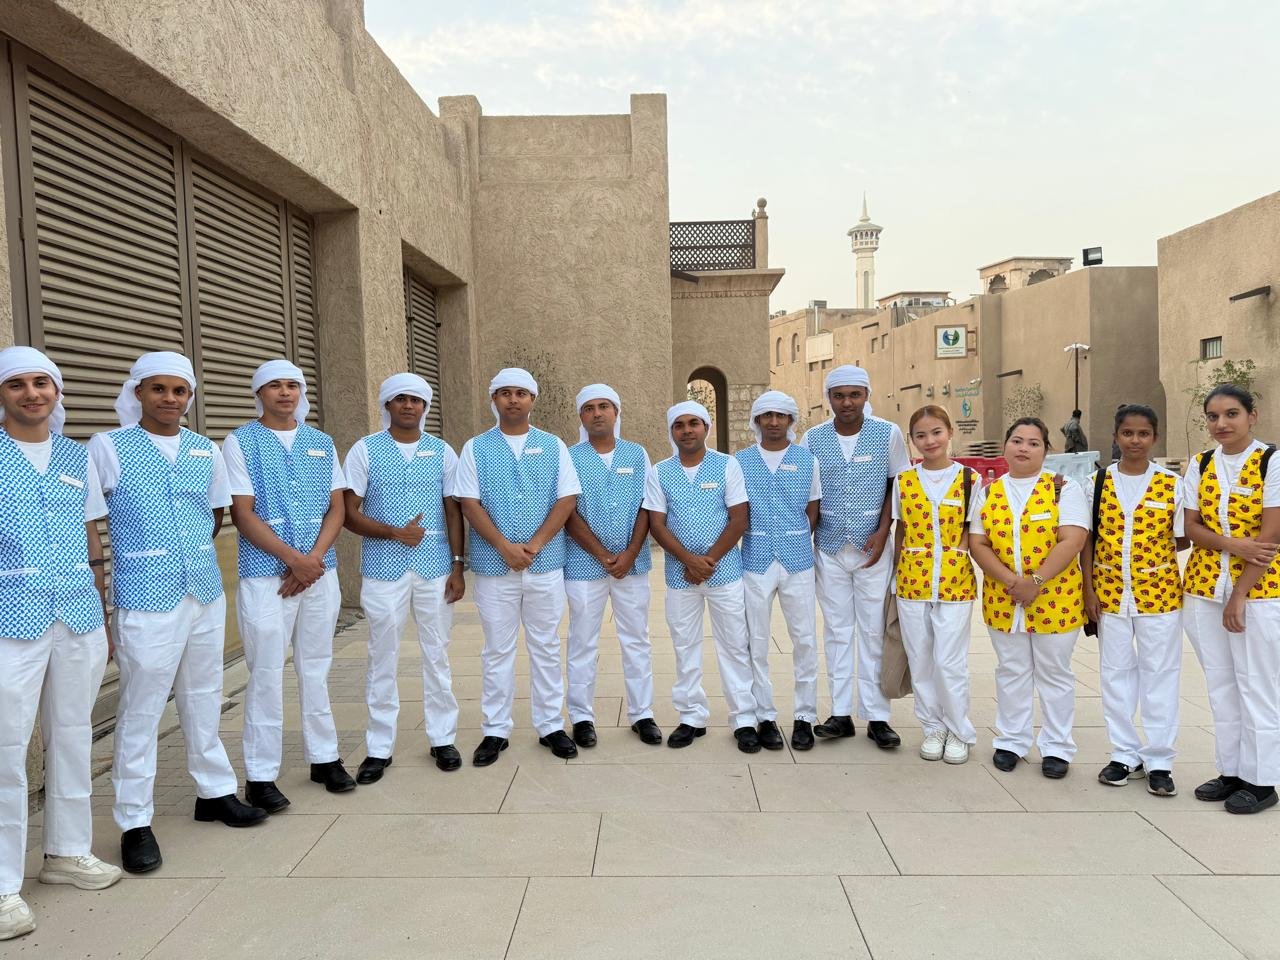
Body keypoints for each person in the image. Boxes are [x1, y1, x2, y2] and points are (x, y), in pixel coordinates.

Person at [89, 353, 266, 876]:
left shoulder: (203, 449)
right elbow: (90, 520)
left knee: (205, 695)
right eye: (158, 389)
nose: (170, 399)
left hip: (203, 592)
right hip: (145, 596)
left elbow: (213, 513)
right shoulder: (108, 446)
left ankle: (214, 792)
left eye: (179, 391)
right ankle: (134, 821)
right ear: (138, 393)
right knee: (141, 708)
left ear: (190, 397)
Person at [0, 347, 121, 942]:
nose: (31, 394)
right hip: (10, 617)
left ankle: (67, 852)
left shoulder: (77, 457)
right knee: (5, 744)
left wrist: (104, 612)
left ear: (57, 391)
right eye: (17, 384)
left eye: (41, 383)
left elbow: (92, 537)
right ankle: (2, 885)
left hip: (77, 614)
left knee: (73, 733)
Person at [224, 359, 354, 809]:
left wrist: (312, 560)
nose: (285, 393)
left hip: (320, 572)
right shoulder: (240, 442)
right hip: (268, 576)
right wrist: (293, 560)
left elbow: (337, 508)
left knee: (316, 666)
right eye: (275, 386)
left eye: (292, 385)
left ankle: (325, 758)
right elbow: (242, 513)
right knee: (265, 672)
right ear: (259, 393)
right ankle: (261, 776)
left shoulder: (321, 442)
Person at [342, 374, 465, 783]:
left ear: (425, 407)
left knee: (437, 653)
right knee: (382, 655)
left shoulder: (442, 451)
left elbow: (453, 511)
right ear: (387, 405)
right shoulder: (365, 450)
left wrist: (458, 565)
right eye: (400, 399)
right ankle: (379, 747)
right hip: (383, 569)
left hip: (435, 567)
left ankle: (443, 738)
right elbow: (349, 513)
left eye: (416, 400)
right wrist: (394, 532)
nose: (409, 406)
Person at [455, 368, 581, 765]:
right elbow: (469, 503)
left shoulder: (553, 445)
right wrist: (504, 547)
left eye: (521, 393)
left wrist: (535, 544)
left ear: (532, 400)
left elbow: (566, 499)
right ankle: (495, 730)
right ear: (494, 399)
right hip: (495, 568)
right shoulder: (476, 448)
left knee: (545, 645)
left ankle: (551, 725)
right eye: (505, 393)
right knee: (497, 649)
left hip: (545, 566)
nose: (513, 399)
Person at [969, 418, 1089, 778]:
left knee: (1054, 672)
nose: (1024, 448)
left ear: (1046, 450)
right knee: (1012, 670)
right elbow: (978, 543)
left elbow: (1073, 539)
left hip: (1056, 598)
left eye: (1034, 443)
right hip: (1004, 598)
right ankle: (1011, 741)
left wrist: (1036, 580)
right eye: (1017, 440)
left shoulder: (1062, 488)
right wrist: (1012, 581)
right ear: (1005, 446)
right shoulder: (989, 492)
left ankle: (1057, 748)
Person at [799, 365, 909, 749]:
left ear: (866, 396)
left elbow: (897, 484)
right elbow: (807, 491)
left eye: (854, 395)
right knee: (837, 631)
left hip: (873, 549)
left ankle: (878, 717)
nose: (847, 402)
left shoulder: (887, 433)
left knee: (873, 630)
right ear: (829, 399)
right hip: (829, 548)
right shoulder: (813, 439)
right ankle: (841, 713)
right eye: (839, 395)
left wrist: (884, 529)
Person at [1182, 384, 1280, 814]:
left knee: (1257, 684)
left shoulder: (1272, 462)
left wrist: (1239, 594)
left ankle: (1262, 781)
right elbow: (1191, 527)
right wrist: (1232, 544)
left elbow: (1271, 536)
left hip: (1259, 592)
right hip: (1204, 587)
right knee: (1221, 684)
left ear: (1252, 416)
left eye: (1232, 414)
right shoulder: (1201, 463)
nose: (1221, 423)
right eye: (1213, 416)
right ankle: (1232, 770)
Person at [646, 401, 762, 752]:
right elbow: (656, 524)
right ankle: (691, 716)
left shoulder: (727, 465)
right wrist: (689, 561)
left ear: (706, 428)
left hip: (724, 572)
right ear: (672, 431)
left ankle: (744, 719)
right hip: (680, 575)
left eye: (694, 423)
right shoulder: (660, 471)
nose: (687, 430)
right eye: (679, 425)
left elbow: (739, 519)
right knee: (685, 645)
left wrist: (707, 561)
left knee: (734, 644)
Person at [1082, 404, 1184, 797]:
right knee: (1115, 673)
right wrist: (1089, 588)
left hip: (1159, 595)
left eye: (1143, 434)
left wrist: (1147, 558)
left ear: (1154, 437)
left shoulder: (1171, 484)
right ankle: (1124, 753)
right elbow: (1087, 540)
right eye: (1127, 433)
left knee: (1160, 673)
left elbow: (1182, 536)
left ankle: (1159, 759)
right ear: (1116, 436)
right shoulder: (1097, 483)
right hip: (1109, 595)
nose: (1135, 441)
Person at [564, 384, 660, 747]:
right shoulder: (569, 457)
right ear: (581, 416)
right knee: (582, 641)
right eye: (589, 408)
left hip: (631, 565)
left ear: (616, 412)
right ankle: (581, 717)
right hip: (583, 565)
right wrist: (601, 554)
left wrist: (631, 552)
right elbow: (567, 510)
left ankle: (642, 713)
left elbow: (648, 506)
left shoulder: (637, 454)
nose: (597, 413)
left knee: (636, 638)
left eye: (604, 406)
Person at [892, 405, 979, 765]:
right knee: (921, 658)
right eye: (921, 435)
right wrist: (894, 576)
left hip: (955, 582)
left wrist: (960, 553)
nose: (930, 441)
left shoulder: (970, 479)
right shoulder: (904, 481)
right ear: (912, 440)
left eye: (936, 432)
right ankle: (932, 727)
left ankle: (958, 730)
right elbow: (900, 530)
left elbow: (974, 530)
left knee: (949, 661)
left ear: (950, 432)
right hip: (912, 580)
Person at [735, 390, 821, 751]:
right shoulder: (740, 461)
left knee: (804, 639)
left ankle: (805, 716)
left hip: (797, 561)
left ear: (790, 420)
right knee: (755, 640)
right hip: (755, 560)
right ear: (756, 421)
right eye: (766, 416)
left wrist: (794, 538)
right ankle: (764, 716)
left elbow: (813, 508)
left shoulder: (807, 460)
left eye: (780, 415)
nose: (773, 422)